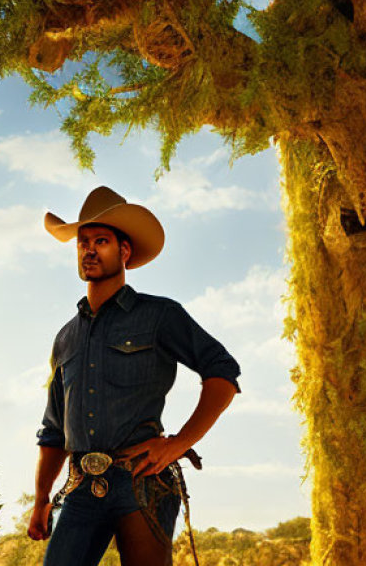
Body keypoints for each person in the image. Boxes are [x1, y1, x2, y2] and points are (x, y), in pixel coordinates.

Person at [27, 186, 241, 565]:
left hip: (142, 483)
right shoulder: (66, 338)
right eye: (83, 242)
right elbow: (54, 429)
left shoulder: (159, 316)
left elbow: (222, 370)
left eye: (102, 241)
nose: (89, 250)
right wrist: (42, 498)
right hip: (79, 487)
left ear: (124, 251)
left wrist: (177, 443)